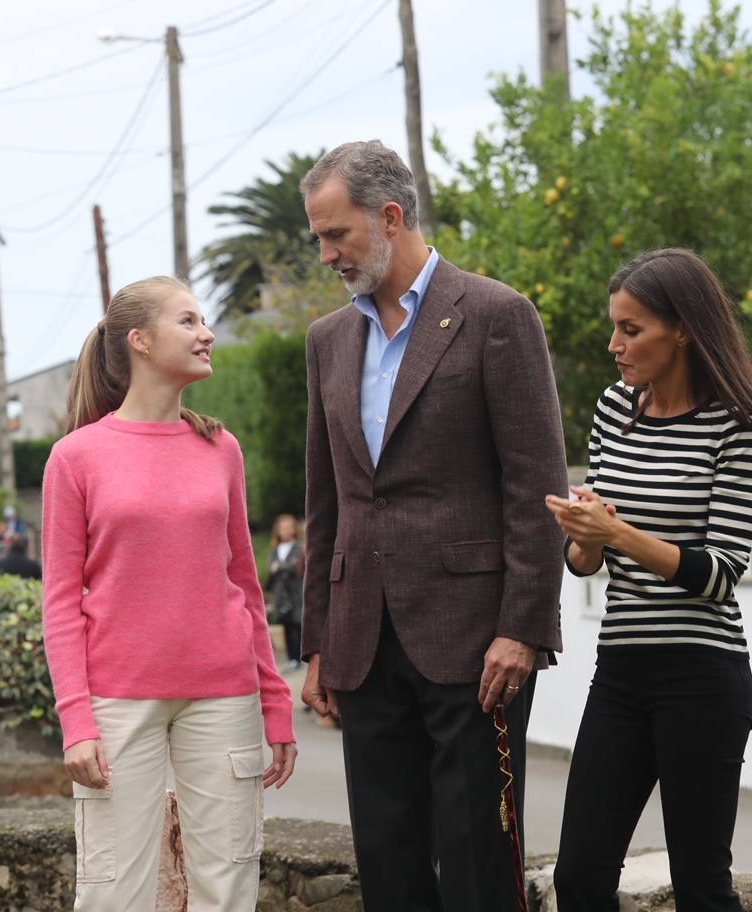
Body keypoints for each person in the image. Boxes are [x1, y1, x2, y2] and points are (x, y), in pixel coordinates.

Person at [297, 140, 567, 910]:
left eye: (335, 233)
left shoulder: (497, 315)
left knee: (480, 859)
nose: (325, 255)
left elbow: (535, 487)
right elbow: (329, 503)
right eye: (317, 236)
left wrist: (523, 627)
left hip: (478, 643)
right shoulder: (326, 341)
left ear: (389, 217)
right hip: (362, 640)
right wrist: (316, 642)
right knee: (387, 863)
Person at [42, 275, 297, 909]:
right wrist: (76, 720)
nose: (206, 333)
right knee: (111, 890)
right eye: (188, 321)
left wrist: (275, 700)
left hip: (224, 695)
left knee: (229, 883)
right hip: (117, 700)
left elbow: (245, 581)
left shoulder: (221, 448)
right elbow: (60, 602)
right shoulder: (75, 458)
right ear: (140, 341)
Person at [546, 249, 752, 911]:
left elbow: (718, 574)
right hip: (621, 669)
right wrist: (587, 538)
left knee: (702, 887)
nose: (613, 344)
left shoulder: (740, 426)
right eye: (614, 327)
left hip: (702, 676)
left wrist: (617, 534)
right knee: (581, 877)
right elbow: (588, 563)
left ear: (682, 329)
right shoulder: (614, 410)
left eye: (631, 328)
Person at [266, 513, 305, 672]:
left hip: (295, 594)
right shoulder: (276, 549)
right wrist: (282, 567)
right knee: (287, 627)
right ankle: (292, 659)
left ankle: (302, 658)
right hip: (281, 595)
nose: (286, 531)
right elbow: (271, 568)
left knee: (299, 625)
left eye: (289, 527)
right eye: (283, 528)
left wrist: (280, 567)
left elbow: (295, 567)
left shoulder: (298, 547)